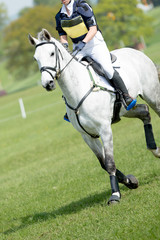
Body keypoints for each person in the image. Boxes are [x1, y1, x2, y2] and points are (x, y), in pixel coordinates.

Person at [55, 0, 137, 114]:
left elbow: (92, 29)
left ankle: (126, 96)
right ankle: (72, 107)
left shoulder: (82, 7)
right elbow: (62, 35)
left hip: (94, 44)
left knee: (107, 69)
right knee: (71, 72)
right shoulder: (59, 16)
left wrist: (83, 42)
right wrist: (64, 47)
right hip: (78, 47)